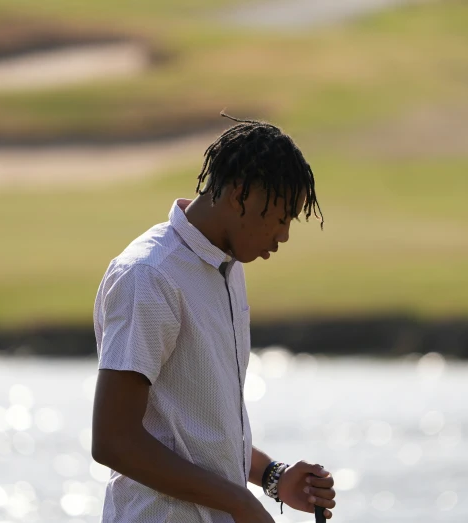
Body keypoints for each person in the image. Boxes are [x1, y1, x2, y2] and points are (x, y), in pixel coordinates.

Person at [91, 114, 336, 522]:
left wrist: (273, 477)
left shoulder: (226, 265)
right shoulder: (150, 276)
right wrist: (239, 503)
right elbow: (114, 440)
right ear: (240, 192)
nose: (284, 235)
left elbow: (199, 430)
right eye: (280, 217)